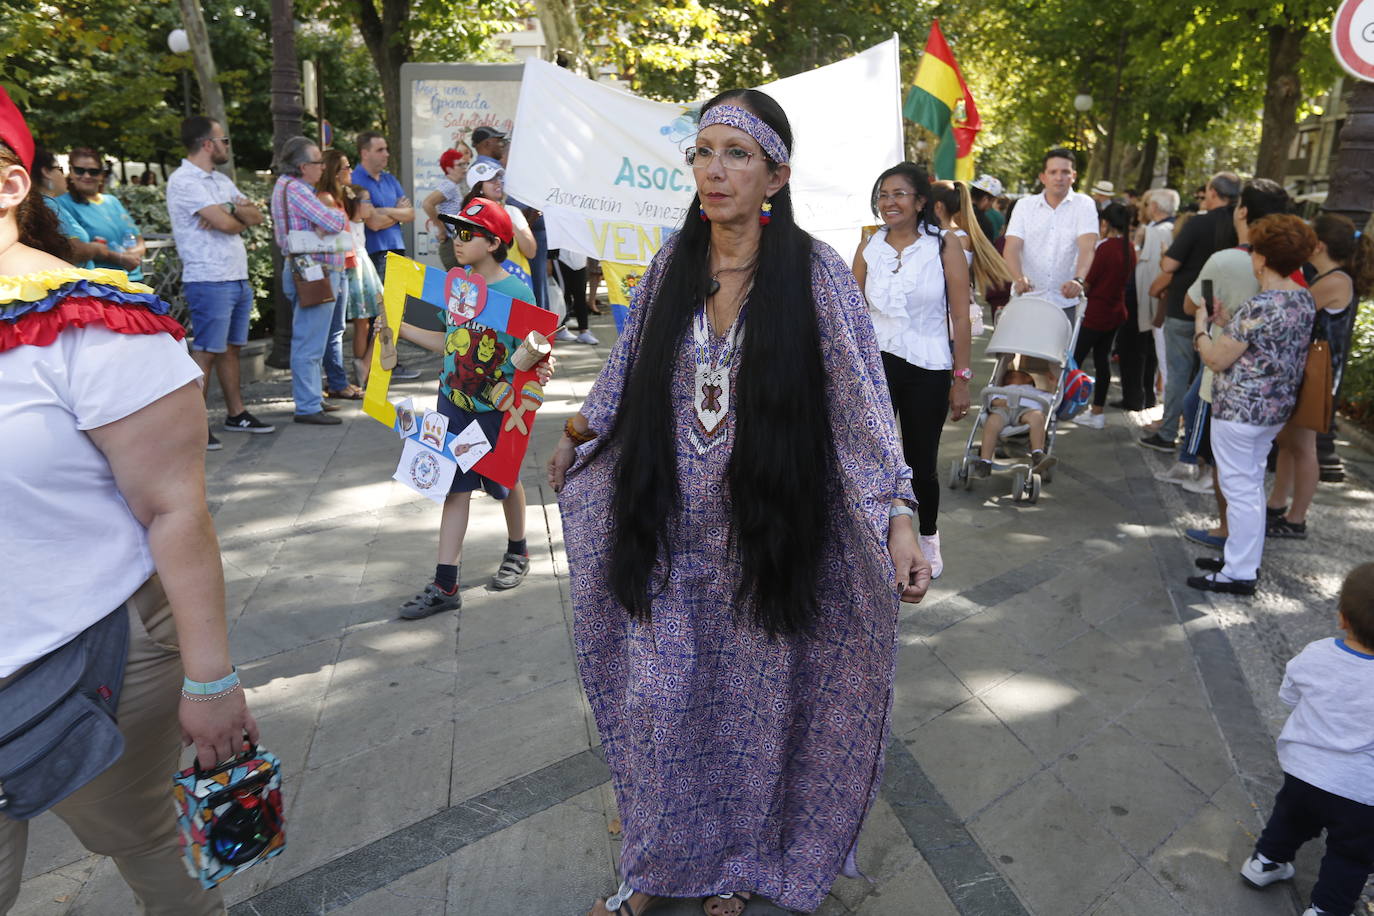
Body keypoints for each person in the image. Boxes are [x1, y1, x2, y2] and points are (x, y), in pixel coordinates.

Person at [547, 89, 930, 916]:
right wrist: (580, 432)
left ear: (776, 176)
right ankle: (649, 869)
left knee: (755, 716)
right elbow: (626, 369)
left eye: (737, 154)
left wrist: (898, 515)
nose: (713, 171)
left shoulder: (818, 274)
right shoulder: (670, 264)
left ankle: (742, 862)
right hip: (668, 532)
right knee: (659, 703)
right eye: (702, 152)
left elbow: (864, 410)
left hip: (770, 539)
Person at [0, 87, 258, 916]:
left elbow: (176, 510)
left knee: (151, 851)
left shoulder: (98, 322)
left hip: (93, 666)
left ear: (10, 186)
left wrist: (212, 684)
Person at [391, 198, 548, 619]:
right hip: (454, 402)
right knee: (454, 486)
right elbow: (447, 341)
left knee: (504, 480)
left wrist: (539, 370)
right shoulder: (457, 285)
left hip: (496, 409)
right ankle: (446, 583)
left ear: (494, 242)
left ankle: (518, 549)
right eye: (454, 233)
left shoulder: (516, 292)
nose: (456, 241)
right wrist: (399, 327)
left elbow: (534, 351)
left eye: (466, 234)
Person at [1187, 214, 1316, 595]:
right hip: (1273, 412)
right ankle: (1241, 558)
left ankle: (1239, 572)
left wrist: (1201, 327)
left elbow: (1215, 359)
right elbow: (1263, 346)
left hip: (1240, 412)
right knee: (1251, 486)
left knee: (1240, 489)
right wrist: (1226, 322)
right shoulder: (1301, 299)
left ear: (1260, 259)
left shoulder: (1259, 305)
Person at [854, 163, 972, 579]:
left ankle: (928, 535)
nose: (890, 202)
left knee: (920, 461)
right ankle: (876, 534)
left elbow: (961, 314)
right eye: (884, 194)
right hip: (876, 366)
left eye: (900, 193)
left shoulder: (944, 245)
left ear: (921, 202)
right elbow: (853, 313)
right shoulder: (869, 245)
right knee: (874, 457)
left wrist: (962, 378)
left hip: (929, 366)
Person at [1238, 562, 1374, 916]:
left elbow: (1289, 696)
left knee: (1291, 817)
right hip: (1360, 792)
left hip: (1303, 771)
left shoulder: (1316, 653)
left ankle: (1265, 863)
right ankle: (1326, 909)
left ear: (1342, 618)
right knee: (1351, 854)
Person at [1161, 180, 1288, 546]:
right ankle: (1241, 544)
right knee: (1249, 473)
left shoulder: (1228, 260)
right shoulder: (1293, 273)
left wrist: (1205, 323)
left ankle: (1229, 535)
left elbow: (1193, 307)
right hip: (1273, 390)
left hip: (1227, 381)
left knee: (1229, 473)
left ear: (1243, 211)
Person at [166, 116, 274, 450]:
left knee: (231, 349)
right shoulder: (184, 180)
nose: (228, 146)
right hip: (208, 277)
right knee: (207, 352)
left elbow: (254, 216)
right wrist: (232, 215)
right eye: (224, 140)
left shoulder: (221, 181)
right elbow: (228, 225)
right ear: (207, 144)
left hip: (235, 276)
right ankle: (194, 425)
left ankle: (236, 413)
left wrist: (229, 211)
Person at [1265, 214, 1374, 539]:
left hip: (1318, 374)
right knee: (1288, 442)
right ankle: (1277, 505)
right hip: (1314, 371)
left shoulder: (1335, 281)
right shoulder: (1331, 276)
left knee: (1303, 445)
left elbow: (1291, 312)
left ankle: (1296, 519)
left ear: (1320, 245)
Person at [1142, 171, 1240, 451]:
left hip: (1187, 306)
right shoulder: (1239, 224)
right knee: (1207, 377)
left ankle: (1168, 431)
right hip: (1225, 310)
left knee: (1178, 373)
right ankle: (1198, 435)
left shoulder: (1199, 223)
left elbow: (1169, 265)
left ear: (1212, 193)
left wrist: (1164, 257)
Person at [269, 136, 350, 425]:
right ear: (304, 166)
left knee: (311, 340)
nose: (322, 168)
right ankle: (307, 406)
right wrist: (335, 217)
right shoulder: (298, 191)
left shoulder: (286, 187)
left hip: (306, 270)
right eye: (318, 162)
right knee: (310, 343)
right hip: (314, 272)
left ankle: (313, 399)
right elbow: (334, 222)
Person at [351, 131, 420, 380]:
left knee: (394, 308)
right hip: (375, 252)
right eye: (380, 150)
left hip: (396, 248)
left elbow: (411, 214)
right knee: (380, 311)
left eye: (386, 149)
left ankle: (388, 362)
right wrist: (395, 213)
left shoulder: (390, 179)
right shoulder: (355, 180)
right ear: (365, 152)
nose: (386, 154)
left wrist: (385, 211)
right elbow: (374, 224)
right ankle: (376, 366)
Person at [1004, 147, 1099, 322]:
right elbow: (1012, 247)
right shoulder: (1024, 206)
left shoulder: (1084, 205)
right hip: (1027, 298)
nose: (1059, 177)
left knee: (1060, 350)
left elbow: (1087, 246)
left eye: (1065, 172)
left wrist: (1078, 280)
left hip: (1064, 302)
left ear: (1074, 176)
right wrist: (1018, 277)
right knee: (1024, 349)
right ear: (1043, 177)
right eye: (1053, 172)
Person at [317, 149, 379, 395]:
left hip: (343, 266)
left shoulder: (338, 197)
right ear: (334, 170)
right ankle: (337, 381)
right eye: (345, 167)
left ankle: (338, 380)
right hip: (335, 266)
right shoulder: (326, 198)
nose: (350, 171)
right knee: (333, 330)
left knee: (338, 329)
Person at [1071, 202, 1134, 429]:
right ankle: (1097, 411)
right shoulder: (1129, 247)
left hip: (1095, 312)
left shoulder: (1105, 248)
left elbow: (1088, 280)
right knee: (1102, 360)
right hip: (1114, 312)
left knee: (1074, 360)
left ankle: (1065, 404)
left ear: (1105, 223)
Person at [1121, 187, 1178, 412]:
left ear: (1154, 207)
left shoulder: (1156, 231)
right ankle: (1147, 396)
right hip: (1154, 298)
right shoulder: (1172, 228)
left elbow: (1146, 265)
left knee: (1136, 349)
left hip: (1144, 296)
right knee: (1150, 352)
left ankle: (1136, 397)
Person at [59, 147, 145, 280]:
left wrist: (133, 255)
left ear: (101, 175)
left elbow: (138, 238)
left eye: (93, 171)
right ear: (70, 172)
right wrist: (120, 258)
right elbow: (74, 249)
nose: (87, 176)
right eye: (79, 170)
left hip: (135, 279)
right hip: (102, 284)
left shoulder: (112, 201)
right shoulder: (62, 204)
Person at [464, 161, 537, 285]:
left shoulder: (513, 212)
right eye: (491, 180)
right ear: (479, 188)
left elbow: (531, 252)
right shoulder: (466, 216)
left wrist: (509, 224)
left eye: (498, 178)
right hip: (480, 286)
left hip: (513, 285)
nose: (498, 182)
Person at [972, 368, 1050, 475]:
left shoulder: (1037, 391)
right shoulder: (1001, 389)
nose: (1009, 377)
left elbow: (1051, 402)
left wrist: (1053, 383)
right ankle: (985, 461)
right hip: (1004, 409)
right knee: (992, 422)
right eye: (1007, 377)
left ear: (1029, 379)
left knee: (1038, 417)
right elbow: (993, 401)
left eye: (1014, 375)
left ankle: (1037, 453)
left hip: (1027, 410)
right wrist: (1000, 402)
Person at [32, 145, 99, 269]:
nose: (65, 176)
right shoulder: (48, 204)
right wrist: (97, 249)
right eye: (60, 169)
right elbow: (72, 249)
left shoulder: (35, 203)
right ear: (46, 172)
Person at [422, 145, 472, 271]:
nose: (464, 169)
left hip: (456, 242)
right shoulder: (449, 186)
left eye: (465, 165)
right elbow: (427, 203)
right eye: (460, 165)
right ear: (449, 169)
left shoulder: (455, 185)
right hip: (451, 244)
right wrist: (441, 228)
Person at [552, 246, 598, 344]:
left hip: (580, 260)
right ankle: (560, 328)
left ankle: (584, 331)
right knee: (563, 295)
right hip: (561, 257)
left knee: (580, 295)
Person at [969, 173, 1005, 238]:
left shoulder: (954, 210)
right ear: (985, 199)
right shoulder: (984, 223)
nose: (991, 205)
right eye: (992, 201)